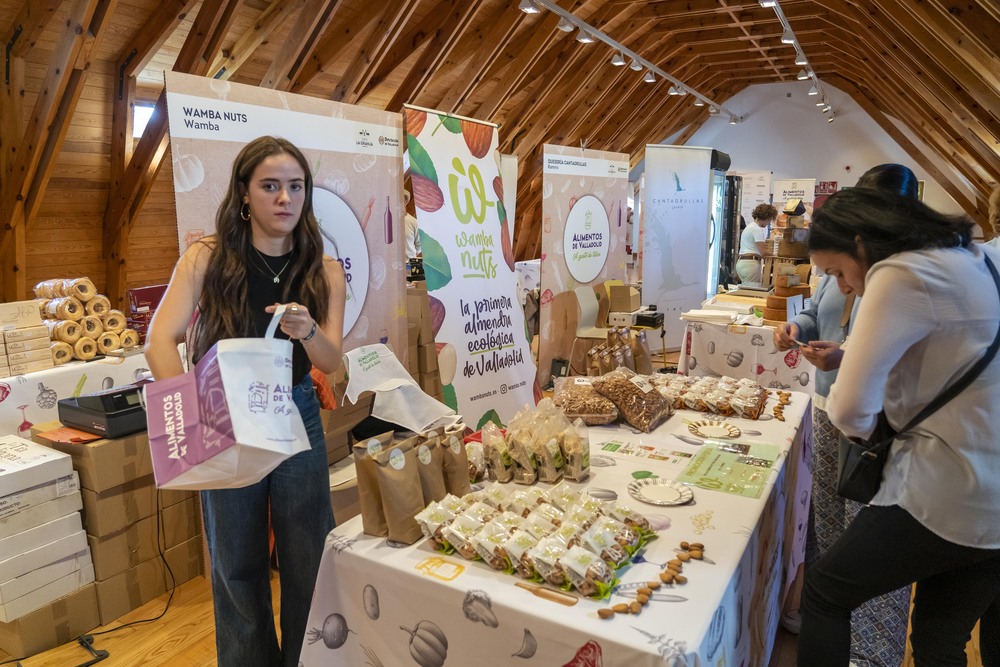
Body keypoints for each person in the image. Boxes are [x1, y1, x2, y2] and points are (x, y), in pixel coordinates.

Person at [145, 136, 345, 666]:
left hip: (295, 411)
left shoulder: (324, 269)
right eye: (270, 186)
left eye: (295, 187)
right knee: (236, 561)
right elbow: (158, 341)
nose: (285, 198)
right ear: (244, 193)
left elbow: (329, 361)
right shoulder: (207, 259)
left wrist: (306, 332)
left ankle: (308, 660)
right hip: (224, 416)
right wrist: (194, 417)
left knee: (308, 556)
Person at [796, 186, 1000, 666]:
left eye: (839, 272)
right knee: (938, 635)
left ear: (862, 244)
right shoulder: (974, 258)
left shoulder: (899, 271)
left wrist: (874, 433)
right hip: (989, 493)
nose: (843, 287)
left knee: (826, 591)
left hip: (947, 490)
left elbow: (847, 410)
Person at [775, 164, 917, 667]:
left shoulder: (905, 280)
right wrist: (796, 326)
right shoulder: (850, 272)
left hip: (879, 428)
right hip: (828, 408)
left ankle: (871, 649)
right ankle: (828, 622)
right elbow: (816, 311)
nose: (839, 277)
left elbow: (892, 364)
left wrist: (847, 357)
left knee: (872, 541)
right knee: (828, 520)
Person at [735, 203, 776, 283]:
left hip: (742, 263)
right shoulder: (757, 229)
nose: (769, 223)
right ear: (767, 217)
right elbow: (763, 252)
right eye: (770, 220)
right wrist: (776, 257)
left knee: (746, 290)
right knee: (751, 292)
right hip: (750, 264)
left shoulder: (750, 226)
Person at [404, 188, 421, 260]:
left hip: (412, 263)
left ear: (406, 201)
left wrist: (410, 258)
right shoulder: (386, 222)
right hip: (391, 264)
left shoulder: (414, 222)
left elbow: (419, 246)